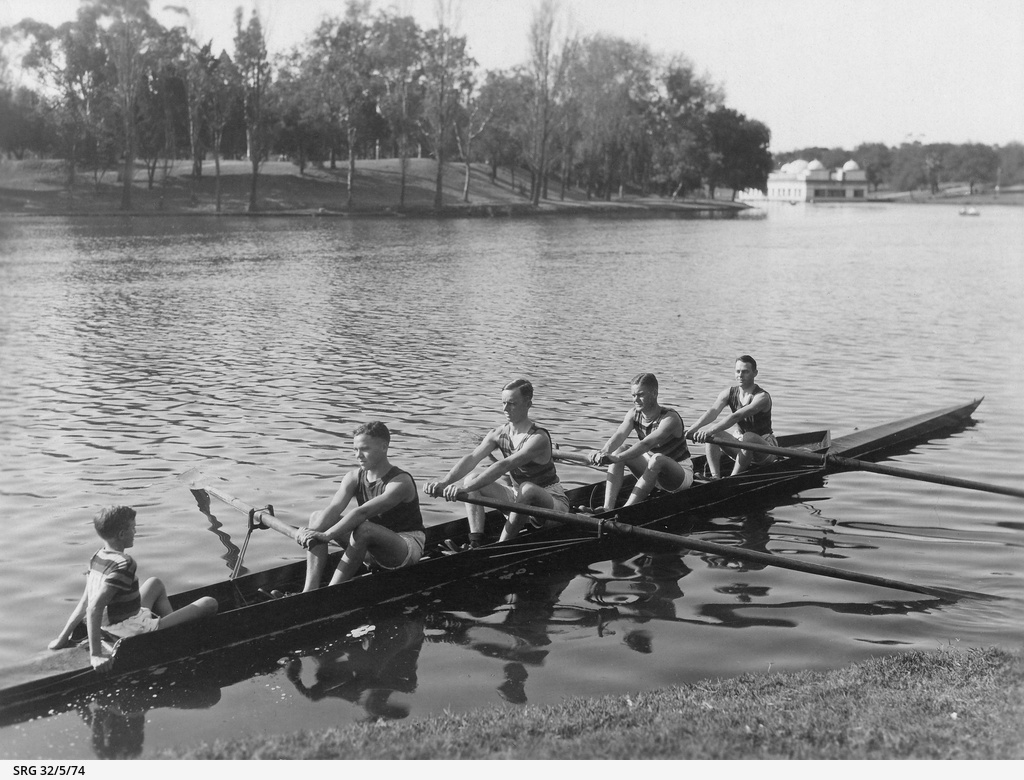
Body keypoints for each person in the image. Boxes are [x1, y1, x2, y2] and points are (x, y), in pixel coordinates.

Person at [48, 506, 218, 671]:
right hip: (129, 630)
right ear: (122, 534)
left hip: (109, 625)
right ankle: (169, 636)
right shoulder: (125, 564)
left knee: (154, 583)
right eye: (133, 528)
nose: (135, 532)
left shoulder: (97, 557)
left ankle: (170, 630)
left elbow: (85, 601)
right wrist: (96, 655)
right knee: (209, 603)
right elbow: (93, 607)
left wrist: (62, 638)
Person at [424, 379, 569, 548]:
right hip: (519, 499)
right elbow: (472, 458)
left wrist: (464, 491)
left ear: (528, 404)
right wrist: (444, 482)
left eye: (512, 404)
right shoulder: (498, 433)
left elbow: (504, 465)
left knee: (527, 488)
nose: (505, 409)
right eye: (503, 403)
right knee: (472, 478)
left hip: (553, 505)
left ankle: (500, 546)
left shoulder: (538, 438)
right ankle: (476, 541)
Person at [293, 421, 426, 592]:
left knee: (364, 529)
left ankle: (331, 592)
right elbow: (334, 508)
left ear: (384, 447)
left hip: (406, 547)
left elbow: (363, 512)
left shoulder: (400, 482)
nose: (358, 455)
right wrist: (309, 533)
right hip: (373, 546)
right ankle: (310, 591)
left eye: (364, 449)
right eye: (355, 449)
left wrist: (326, 535)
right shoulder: (353, 477)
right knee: (317, 517)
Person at [588, 372, 694, 511]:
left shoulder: (670, 418)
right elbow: (619, 435)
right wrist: (603, 453)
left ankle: (626, 510)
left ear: (654, 393)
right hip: (652, 469)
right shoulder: (633, 414)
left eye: (640, 395)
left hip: (679, 475)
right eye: (633, 395)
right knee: (621, 448)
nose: (635, 400)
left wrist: (615, 458)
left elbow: (646, 444)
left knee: (657, 459)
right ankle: (608, 508)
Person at [686, 355, 777, 478]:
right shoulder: (728, 393)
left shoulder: (762, 397)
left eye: (745, 372)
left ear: (755, 373)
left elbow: (736, 416)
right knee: (714, 434)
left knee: (748, 436)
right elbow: (713, 411)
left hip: (766, 450)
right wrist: (693, 429)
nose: (740, 375)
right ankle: (715, 477)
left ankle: (732, 478)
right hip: (742, 445)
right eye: (738, 371)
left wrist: (707, 432)